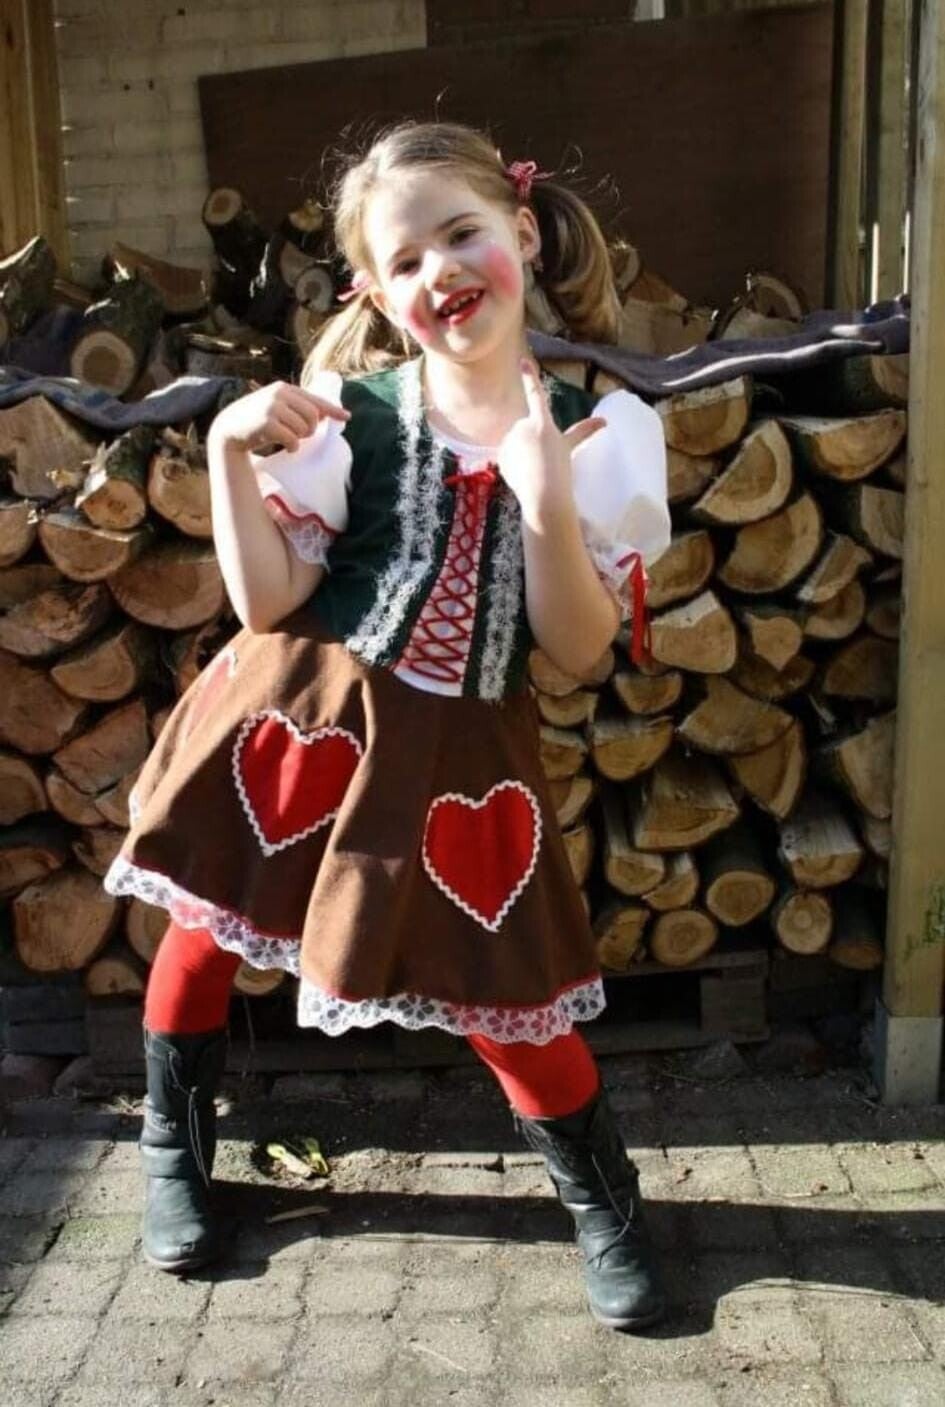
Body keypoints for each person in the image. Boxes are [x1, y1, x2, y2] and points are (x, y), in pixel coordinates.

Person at [104, 121, 672, 1332]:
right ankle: (172, 1151)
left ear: (523, 233)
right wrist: (225, 452)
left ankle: (605, 1201)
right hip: (297, 714)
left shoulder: (601, 436)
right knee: (205, 936)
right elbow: (269, 605)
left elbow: (577, 651)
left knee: (502, 986)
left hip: (463, 755)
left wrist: (544, 500)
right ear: (373, 291)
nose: (440, 270)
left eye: (462, 234)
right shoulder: (348, 420)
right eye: (404, 260)